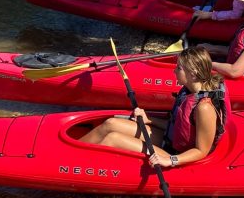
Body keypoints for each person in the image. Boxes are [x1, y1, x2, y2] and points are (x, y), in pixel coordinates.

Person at [80, 46, 230, 169]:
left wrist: (170, 160)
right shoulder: (190, 90)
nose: (174, 71)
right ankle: (74, 152)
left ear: (193, 74)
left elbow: (201, 151)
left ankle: (80, 166)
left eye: (179, 68)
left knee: (112, 139)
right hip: (170, 139)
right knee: (110, 124)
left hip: (178, 153)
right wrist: (149, 120)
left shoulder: (204, 108)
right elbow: (179, 126)